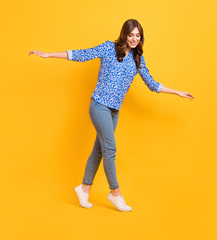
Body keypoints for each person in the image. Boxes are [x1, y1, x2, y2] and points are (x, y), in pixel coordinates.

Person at [28, 19, 194, 212]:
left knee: (99, 150)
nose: (134, 39)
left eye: (137, 36)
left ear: (141, 38)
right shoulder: (108, 48)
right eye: (131, 35)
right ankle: (115, 194)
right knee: (110, 149)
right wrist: (49, 54)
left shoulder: (138, 58)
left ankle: (83, 189)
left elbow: (152, 84)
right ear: (124, 34)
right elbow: (82, 54)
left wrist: (176, 92)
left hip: (114, 110)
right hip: (99, 105)